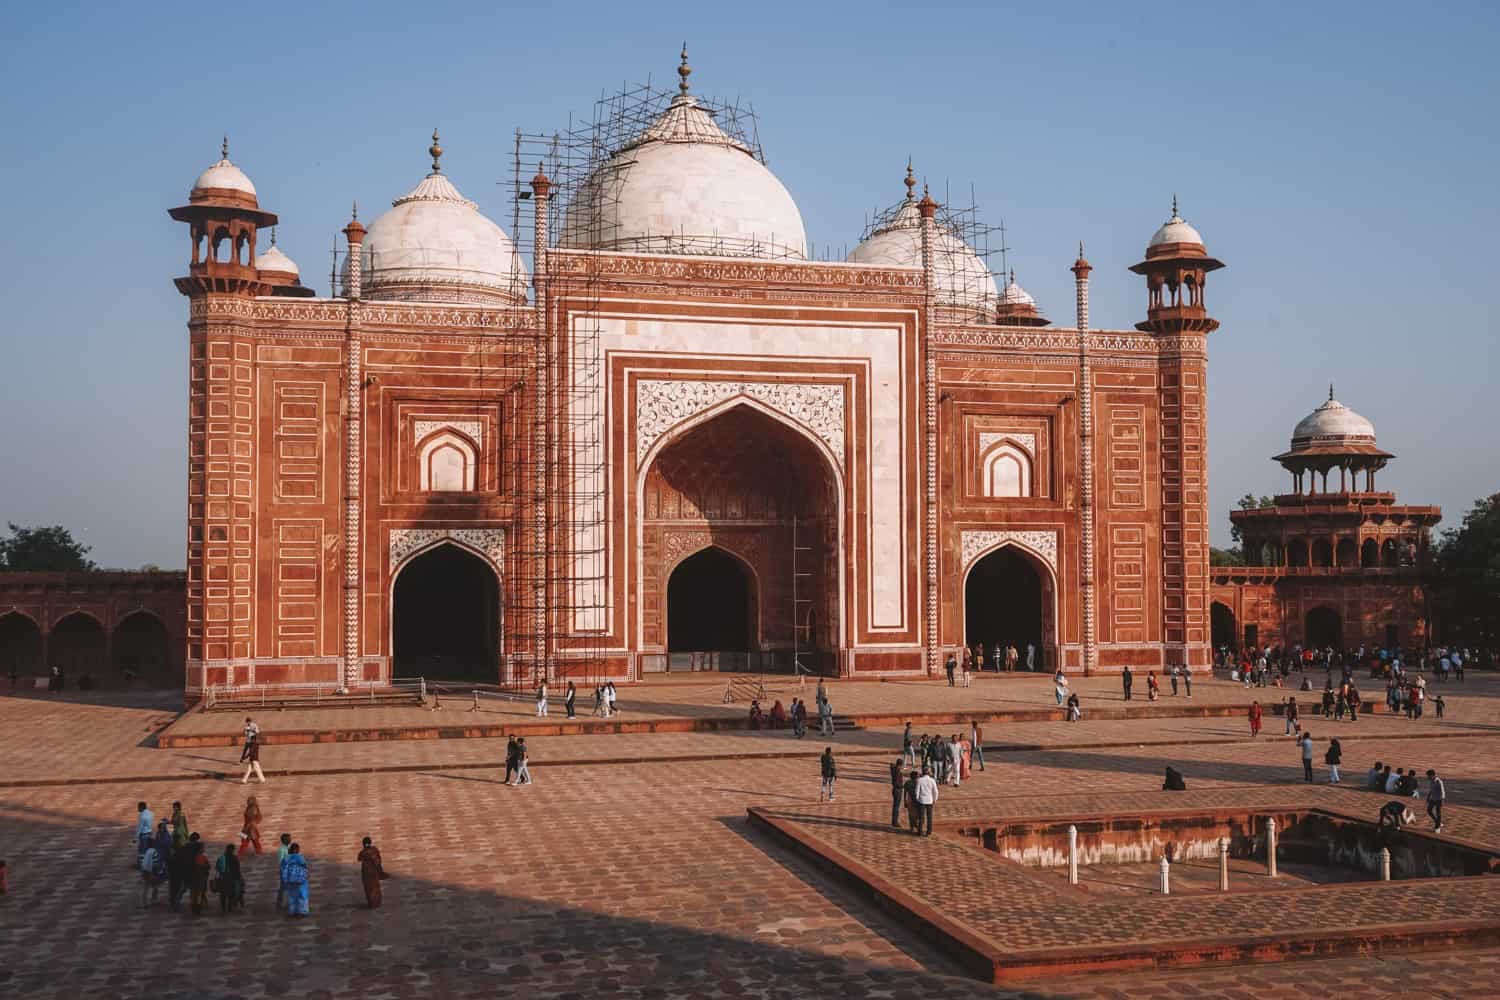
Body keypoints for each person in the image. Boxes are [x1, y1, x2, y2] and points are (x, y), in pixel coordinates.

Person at [358, 837, 389, 909]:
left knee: (369, 888)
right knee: (375, 887)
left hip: (366, 872)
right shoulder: (375, 850)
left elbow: (359, 859)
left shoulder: (363, 852)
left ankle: (371, 903)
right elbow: (378, 860)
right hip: (374, 871)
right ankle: (376, 902)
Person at [281, 843, 309, 917]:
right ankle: (302, 911)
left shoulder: (286, 858)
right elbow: (304, 865)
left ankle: (292, 911)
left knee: (292, 895)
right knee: (302, 895)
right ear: (297, 849)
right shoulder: (300, 857)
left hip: (290, 879)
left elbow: (282, 868)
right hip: (300, 879)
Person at [215, 843, 243, 913]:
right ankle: (229, 908)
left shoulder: (221, 858)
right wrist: (239, 878)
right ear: (232, 850)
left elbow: (217, 868)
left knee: (223, 894)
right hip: (232, 878)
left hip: (223, 877)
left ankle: (223, 909)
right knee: (231, 894)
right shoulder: (234, 858)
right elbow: (237, 869)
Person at [914, 767, 939, 836]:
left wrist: (917, 798)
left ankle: (920, 831)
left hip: (922, 800)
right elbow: (935, 791)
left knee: (921, 817)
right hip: (929, 800)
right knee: (929, 817)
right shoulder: (932, 780)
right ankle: (929, 831)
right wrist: (935, 799)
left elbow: (917, 791)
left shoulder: (919, 780)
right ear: (929, 773)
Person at [189, 839, 211, 915]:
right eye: (203, 848)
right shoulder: (202, 857)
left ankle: (193, 908)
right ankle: (197, 909)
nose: (204, 849)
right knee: (198, 894)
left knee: (193, 894)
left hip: (192, 878)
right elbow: (208, 866)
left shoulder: (191, 857)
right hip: (200, 878)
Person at [140, 839, 164, 908]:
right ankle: (154, 900)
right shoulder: (154, 852)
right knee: (155, 886)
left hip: (144, 871)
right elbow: (155, 863)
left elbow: (141, 860)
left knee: (145, 887)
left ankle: (144, 903)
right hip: (151, 871)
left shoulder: (146, 851)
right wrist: (158, 872)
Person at [275, 833, 292, 913]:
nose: (290, 840)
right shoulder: (282, 850)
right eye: (288, 839)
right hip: (285, 871)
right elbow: (281, 862)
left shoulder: (288, 848)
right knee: (283, 888)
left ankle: (286, 904)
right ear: (284, 840)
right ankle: (280, 904)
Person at [134, 801, 155, 867]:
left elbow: (140, 827)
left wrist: (135, 837)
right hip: (150, 833)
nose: (138, 809)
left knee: (142, 850)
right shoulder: (151, 813)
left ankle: (141, 865)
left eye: (139, 807)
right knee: (147, 849)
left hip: (143, 835)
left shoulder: (142, 816)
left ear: (142, 807)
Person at [889, 757, 905, 828]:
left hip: (896, 789)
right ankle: (895, 822)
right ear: (900, 765)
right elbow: (896, 782)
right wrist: (902, 786)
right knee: (896, 807)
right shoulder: (897, 772)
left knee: (895, 806)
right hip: (898, 790)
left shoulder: (895, 770)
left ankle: (894, 821)